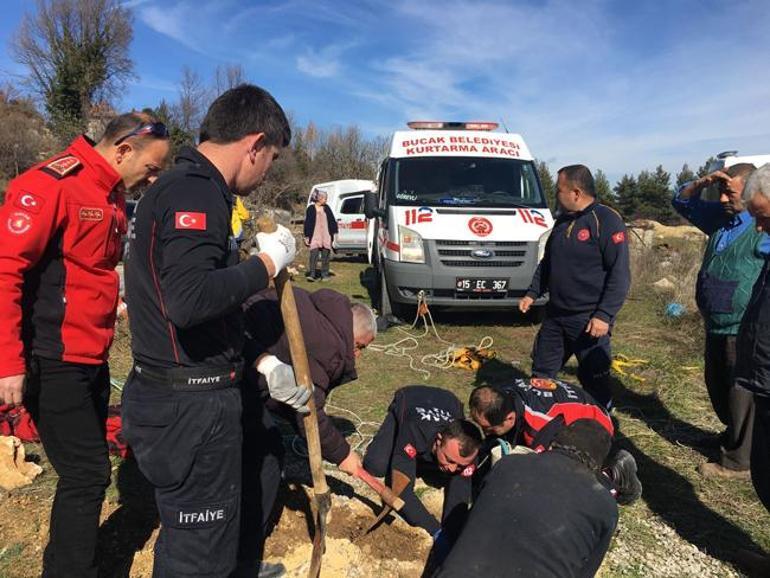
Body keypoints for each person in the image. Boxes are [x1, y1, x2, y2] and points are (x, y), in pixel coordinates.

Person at [122, 85, 298, 578]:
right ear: (255, 144)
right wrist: (266, 264)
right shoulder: (195, 192)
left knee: (206, 534)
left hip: (182, 391)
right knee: (196, 554)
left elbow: (187, 288)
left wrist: (259, 360)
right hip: (189, 407)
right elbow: (189, 299)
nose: (268, 172)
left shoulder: (179, 186)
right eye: (273, 158)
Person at [0, 112, 170, 578]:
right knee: (87, 474)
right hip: (52, 357)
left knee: (87, 471)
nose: (151, 179)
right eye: (151, 168)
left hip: (89, 356)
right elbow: (5, 269)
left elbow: (87, 268)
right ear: (122, 151)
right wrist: (8, 363)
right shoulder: (53, 184)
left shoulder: (111, 193)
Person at [239, 287, 377, 562]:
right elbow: (310, 415)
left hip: (236, 344)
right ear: (354, 339)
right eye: (361, 347)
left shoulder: (318, 308)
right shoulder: (330, 348)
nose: (358, 356)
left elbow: (296, 396)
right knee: (265, 459)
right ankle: (245, 552)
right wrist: (343, 454)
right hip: (236, 371)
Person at [432, 420, 619, 578]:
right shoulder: (605, 506)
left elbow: (477, 518)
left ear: (555, 442)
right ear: (598, 464)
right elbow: (585, 573)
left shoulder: (509, 464)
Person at [672, 163, 763, 479]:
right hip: (715, 321)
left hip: (742, 325)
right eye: (721, 191)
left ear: (751, 193)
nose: (723, 198)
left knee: (741, 393)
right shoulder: (721, 221)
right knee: (718, 384)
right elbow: (681, 202)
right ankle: (731, 436)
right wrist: (703, 182)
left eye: (730, 192)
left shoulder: (761, 227)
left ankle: (739, 460)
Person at [519, 165, 630, 409]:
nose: (556, 195)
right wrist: (532, 292)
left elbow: (619, 275)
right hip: (556, 315)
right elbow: (548, 263)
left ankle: (602, 420)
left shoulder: (606, 221)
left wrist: (604, 315)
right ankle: (540, 415)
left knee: (594, 378)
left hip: (589, 319)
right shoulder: (562, 222)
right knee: (541, 373)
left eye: (559, 190)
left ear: (576, 193)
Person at [468, 380, 641, 504]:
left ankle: (617, 474)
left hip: (594, 428)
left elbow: (541, 470)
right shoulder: (503, 394)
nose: (484, 432)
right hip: (566, 410)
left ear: (510, 418)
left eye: (488, 429)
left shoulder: (540, 426)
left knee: (561, 480)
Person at [363, 386, 482, 545]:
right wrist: (434, 530)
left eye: (459, 465)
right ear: (439, 441)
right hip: (412, 400)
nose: (453, 469)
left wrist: (453, 533)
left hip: (448, 402)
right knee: (375, 465)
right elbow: (401, 491)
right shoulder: (415, 430)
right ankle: (396, 444)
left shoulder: (468, 450)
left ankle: (419, 460)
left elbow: (459, 494)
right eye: (449, 460)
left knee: (445, 477)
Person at [303, 189, 338, 281]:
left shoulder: (327, 208)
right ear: (319, 198)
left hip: (326, 235)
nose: (326, 200)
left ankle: (325, 275)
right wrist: (306, 236)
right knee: (313, 255)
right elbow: (307, 223)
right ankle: (312, 274)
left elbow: (332, 221)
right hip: (315, 235)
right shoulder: (311, 209)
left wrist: (334, 233)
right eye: (325, 198)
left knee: (325, 256)